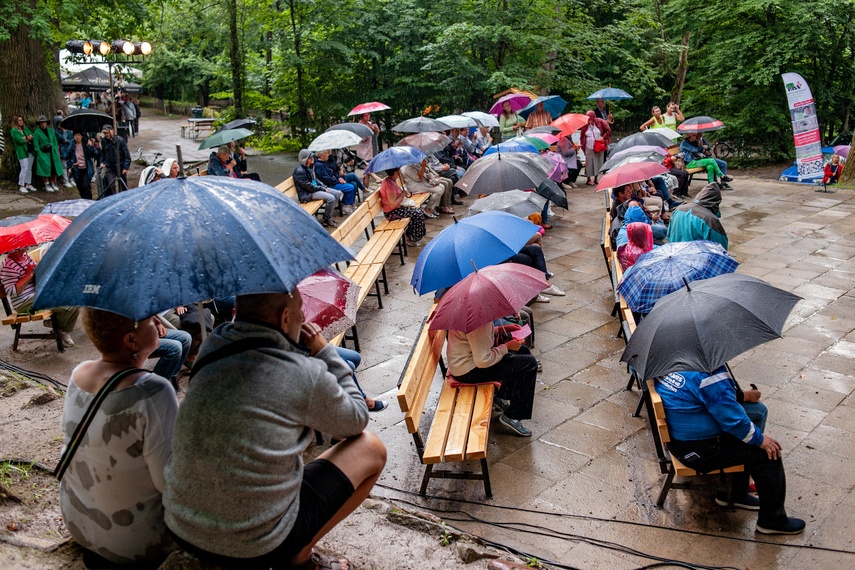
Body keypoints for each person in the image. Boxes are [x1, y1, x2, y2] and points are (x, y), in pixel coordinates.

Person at [163, 291, 386, 570]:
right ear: (285, 318)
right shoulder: (302, 372)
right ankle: (300, 556)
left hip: (180, 524)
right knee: (371, 448)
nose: (304, 318)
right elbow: (357, 418)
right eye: (301, 312)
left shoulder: (213, 345)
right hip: (254, 545)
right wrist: (323, 351)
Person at [59, 309, 179, 567]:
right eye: (149, 320)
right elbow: (169, 485)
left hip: (79, 524)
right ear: (130, 340)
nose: (157, 322)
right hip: (136, 543)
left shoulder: (78, 373)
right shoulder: (153, 391)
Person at [655, 366, 805, 535]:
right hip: (699, 451)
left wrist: (739, 395)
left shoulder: (675, 363)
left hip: (678, 443)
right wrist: (761, 440)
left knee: (742, 437)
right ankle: (772, 520)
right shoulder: (708, 376)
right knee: (767, 454)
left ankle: (734, 494)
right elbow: (733, 420)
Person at [445, 311, 538, 437]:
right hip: (468, 371)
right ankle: (513, 416)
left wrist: (500, 330)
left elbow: (477, 338)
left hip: (465, 364)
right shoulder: (477, 320)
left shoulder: (474, 313)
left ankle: (503, 396)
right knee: (530, 364)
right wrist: (506, 347)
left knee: (523, 351)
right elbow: (483, 360)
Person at [0, 249, 79, 347]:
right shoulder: (8, 266)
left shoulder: (26, 258)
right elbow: (12, 291)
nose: (28, 245)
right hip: (24, 302)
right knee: (67, 305)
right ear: (16, 247)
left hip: (37, 295)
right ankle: (59, 327)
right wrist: (29, 274)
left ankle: (61, 330)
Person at [667, 182, 728, 249]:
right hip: (695, 254)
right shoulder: (710, 220)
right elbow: (720, 248)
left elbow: (669, 234)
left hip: (675, 250)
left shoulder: (678, 209)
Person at [378, 168, 426, 246]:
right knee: (417, 213)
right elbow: (392, 205)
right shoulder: (389, 185)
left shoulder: (391, 180)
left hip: (397, 209)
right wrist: (402, 195)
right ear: (395, 172)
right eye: (398, 170)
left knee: (418, 211)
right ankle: (411, 237)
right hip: (392, 213)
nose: (400, 171)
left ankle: (410, 235)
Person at [293, 149, 342, 228]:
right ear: (305, 159)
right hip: (307, 194)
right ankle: (328, 219)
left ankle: (327, 216)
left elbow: (315, 180)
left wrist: (323, 186)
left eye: (312, 156)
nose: (313, 158)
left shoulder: (309, 166)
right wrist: (322, 189)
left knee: (337, 193)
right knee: (331, 198)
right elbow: (309, 187)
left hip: (314, 189)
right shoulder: (300, 171)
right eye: (310, 157)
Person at [313, 149, 357, 214]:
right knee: (350, 187)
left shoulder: (323, 162)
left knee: (353, 184)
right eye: (327, 153)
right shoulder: (319, 165)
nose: (328, 155)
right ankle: (345, 207)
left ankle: (345, 204)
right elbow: (326, 179)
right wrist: (337, 181)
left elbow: (332, 172)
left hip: (333, 182)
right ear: (322, 155)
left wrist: (339, 178)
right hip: (328, 185)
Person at [97, 123, 131, 196]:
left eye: (108, 132)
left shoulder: (120, 140)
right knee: (110, 185)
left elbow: (126, 155)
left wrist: (125, 167)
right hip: (110, 167)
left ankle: (124, 197)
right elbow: (103, 153)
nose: (107, 135)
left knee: (123, 186)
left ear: (112, 131)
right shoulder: (104, 141)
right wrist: (102, 162)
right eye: (105, 133)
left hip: (120, 166)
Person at [580, 110, 611, 186]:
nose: (589, 121)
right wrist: (582, 146)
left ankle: (596, 178)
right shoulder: (585, 125)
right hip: (589, 146)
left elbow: (608, 130)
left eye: (590, 119)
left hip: (599, 146)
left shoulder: (600, 122)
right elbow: (582, 136)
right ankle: (588, 179)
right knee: (589, 163)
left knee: (598, 162)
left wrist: (603, 137)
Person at [32, 115, 62, 192]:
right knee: (44, 168)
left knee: (54, 168)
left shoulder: (51, 131)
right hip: (43, 153)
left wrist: (56, 148)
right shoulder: (37, 132)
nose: (43, 124)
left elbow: (55, 140)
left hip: (53, 152)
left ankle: (53, 182)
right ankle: (46, 184)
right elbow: (36, 144)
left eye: (44, 122)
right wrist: (39, 152)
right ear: (39, 124)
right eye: (41, 123)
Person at [9, 115, 37, 194]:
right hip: (22, 152)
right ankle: (21, 185)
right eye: (19, 120)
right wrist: (27, 138)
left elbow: (31, 135)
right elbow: (20, 140)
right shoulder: (14, 131)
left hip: (30, 150)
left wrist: (27, 138)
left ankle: (28, 183)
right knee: (24, 168)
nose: (21, 122)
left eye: (22, 120)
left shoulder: (25, 128)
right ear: (15, 121)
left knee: (29, 168)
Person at [67, 132, 99, 199]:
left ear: (81, 136)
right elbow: (69, 157)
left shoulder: (86, 144)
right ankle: (83, 200)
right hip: (77, 169)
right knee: (80, 186)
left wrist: (91, 146)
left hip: (87, 168)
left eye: (79, 135)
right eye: (75, 135)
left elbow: (95, 154)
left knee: (85, 185)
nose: (77, 137)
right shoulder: (72, 145)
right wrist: (70, 166)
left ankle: (89, 200)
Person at [53, 112, 75, 188]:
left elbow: (72, 139)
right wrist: (67, 139)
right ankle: (65, 181)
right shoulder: (56, 132)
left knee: (71, 165)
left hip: (70, 150)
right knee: (64, 166)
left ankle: (70, 178)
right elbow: (63, 139)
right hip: (63, 151)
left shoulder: (68, 131)